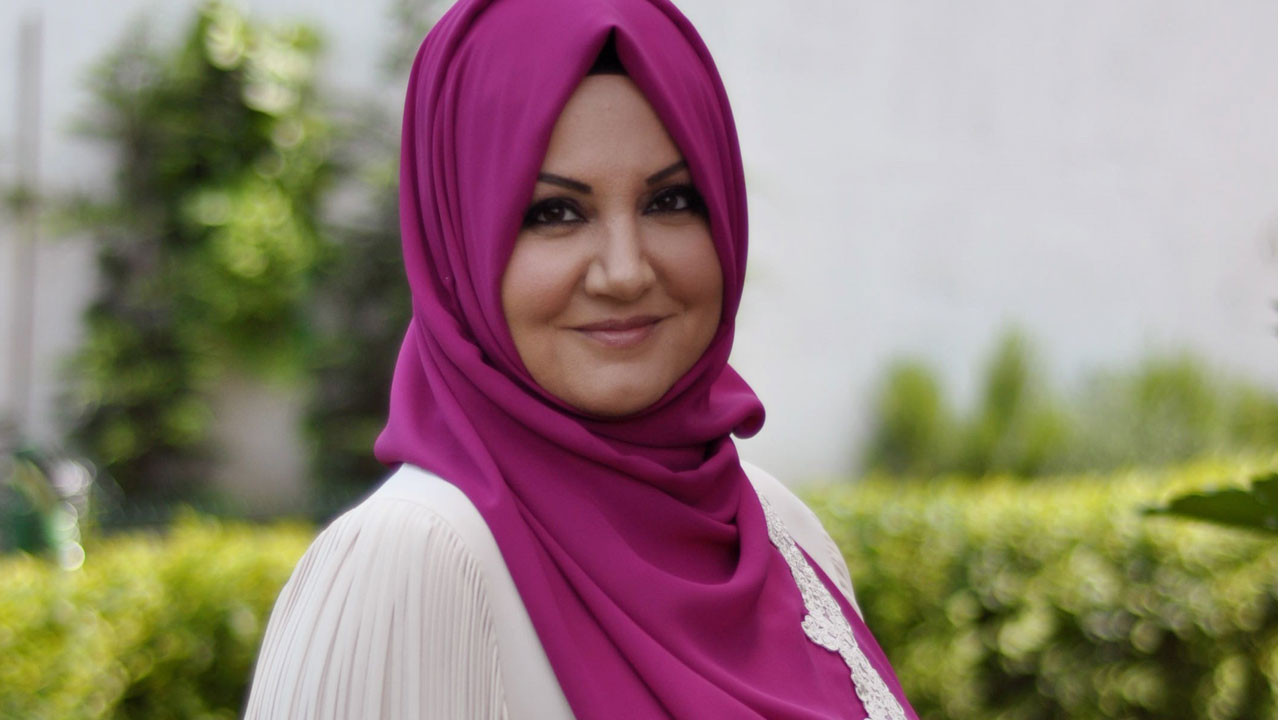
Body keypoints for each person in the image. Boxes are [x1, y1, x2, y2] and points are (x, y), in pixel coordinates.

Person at [244, 0, 919, 718]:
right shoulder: (414, 564)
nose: (624, 272)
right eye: (555, 213)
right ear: (460, 244)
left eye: (670, 201)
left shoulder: (780, 530)